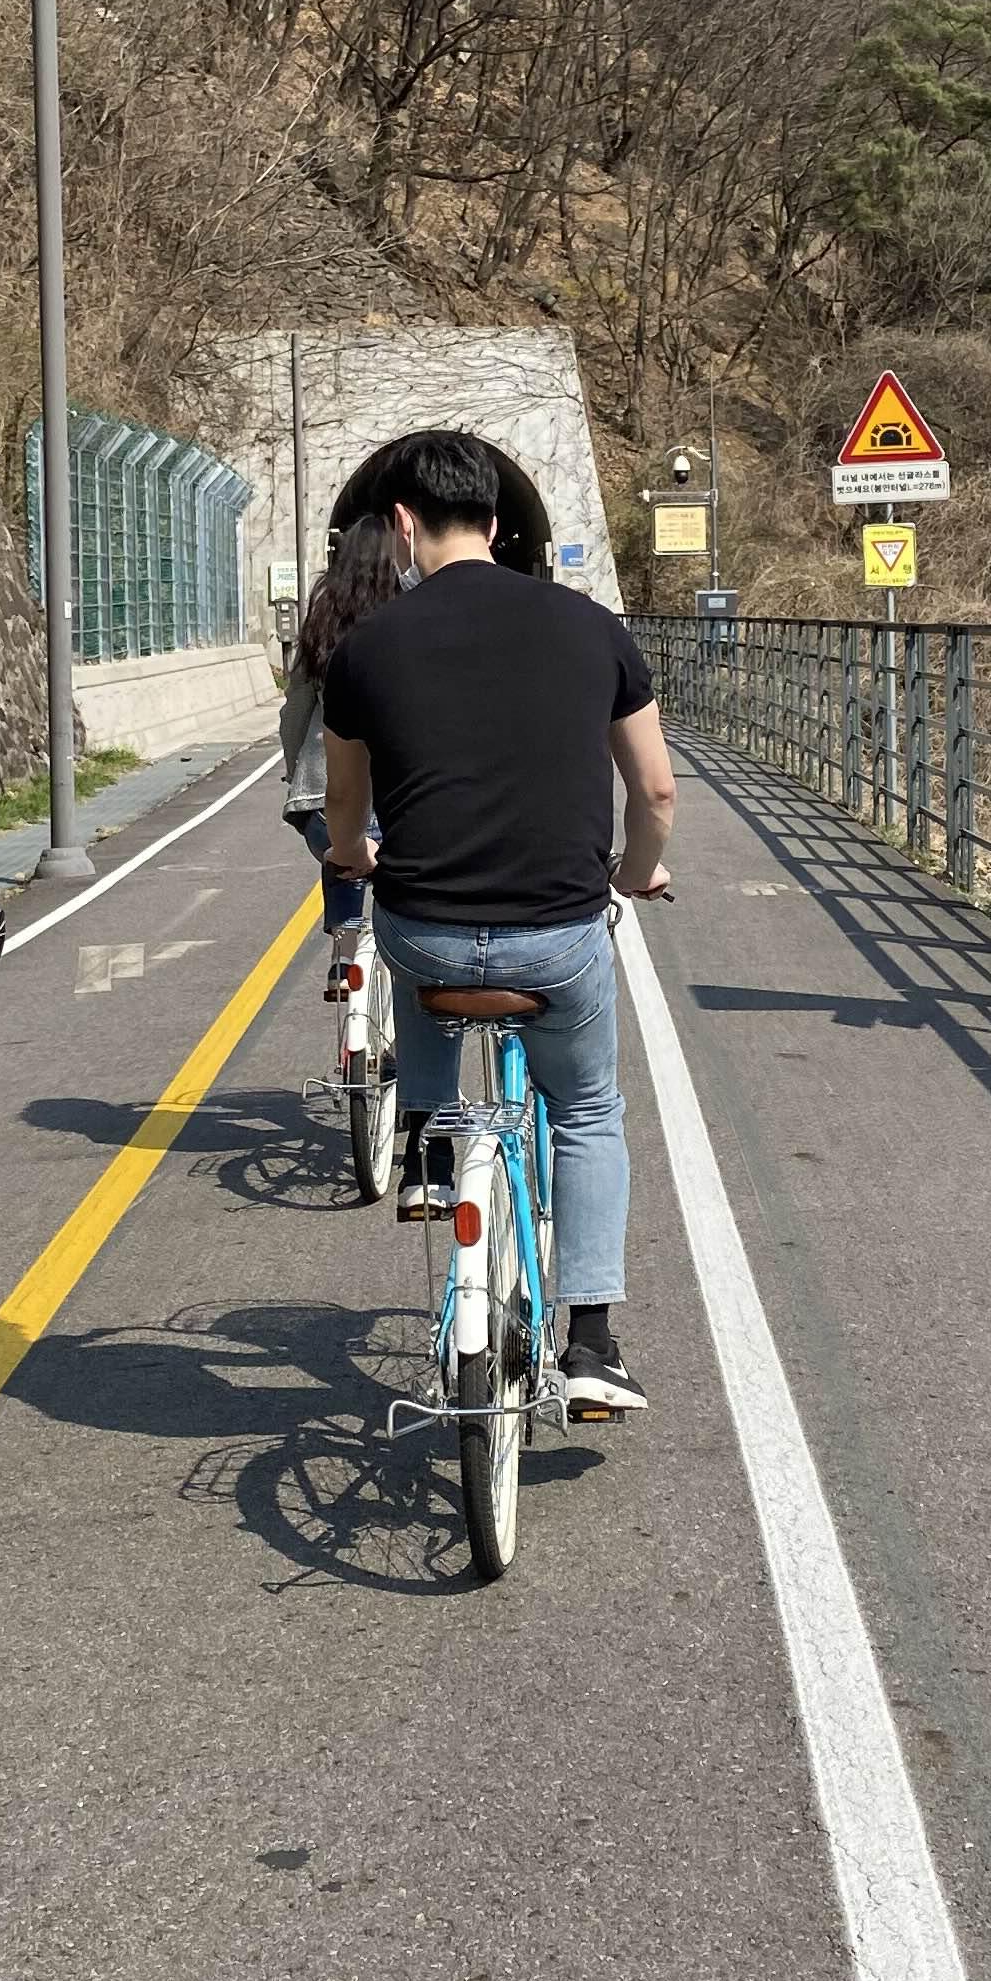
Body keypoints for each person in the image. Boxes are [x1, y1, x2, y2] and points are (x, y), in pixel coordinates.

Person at [319, 426, 675, 1419]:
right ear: (498, 520)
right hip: (557, 934)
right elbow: (655, 791)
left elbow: (345, 806)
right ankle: (592, 1341)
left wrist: (352, 856)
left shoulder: (365, 648)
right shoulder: (590, 626)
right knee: (588, 1111)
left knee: (412, 936)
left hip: (427, 931)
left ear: (402, 524)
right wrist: (634, 873)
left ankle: (430, 1146)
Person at [278, 511, 403, 952]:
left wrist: (296, 773)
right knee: (405, 900)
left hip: (321, 806)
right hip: (399, 808)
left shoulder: (323, 621)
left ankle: (344, 957)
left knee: (340, 854)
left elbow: (295, 714)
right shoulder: (411, 616)